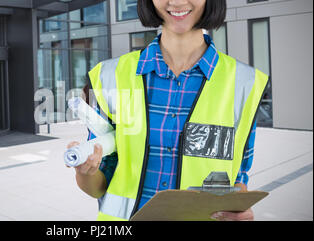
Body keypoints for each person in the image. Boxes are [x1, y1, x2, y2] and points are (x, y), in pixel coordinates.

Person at [66, 0, 268, 221]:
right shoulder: (109, 76)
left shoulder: (244, 83)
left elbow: (237, 178)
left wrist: (237, 211)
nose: (177, 1)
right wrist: (84, 171)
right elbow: (97, 186)